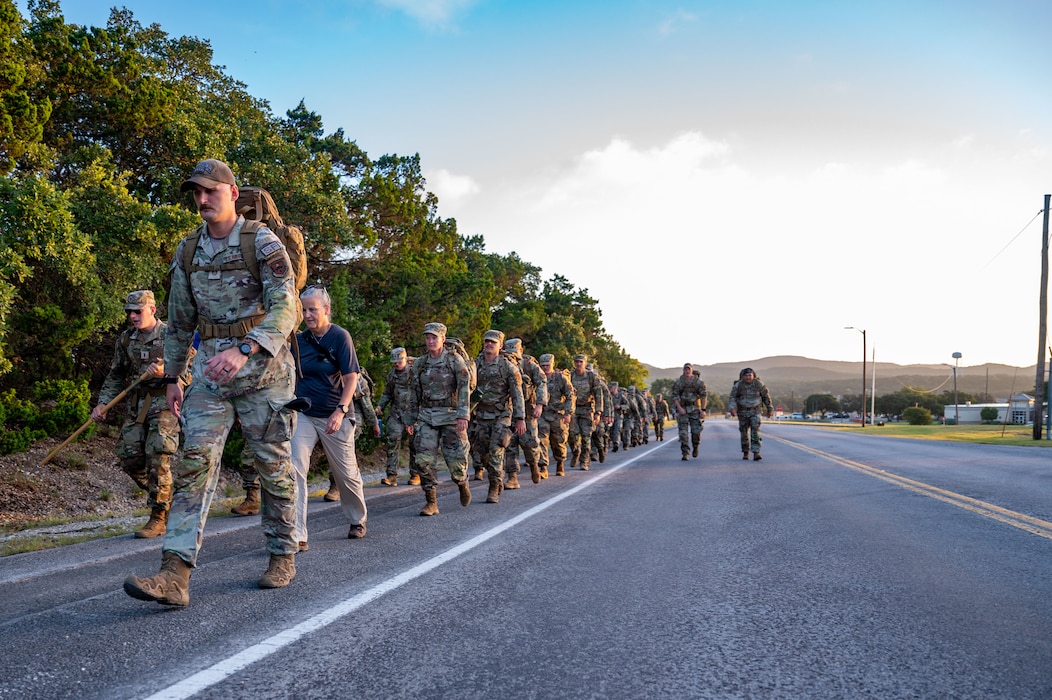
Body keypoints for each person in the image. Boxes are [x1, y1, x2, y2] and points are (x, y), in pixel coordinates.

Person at [124, 158, 300, 606]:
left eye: (211, 191)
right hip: (208, 376)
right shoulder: (188, 251)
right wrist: (174, 376)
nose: (202, 199)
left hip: (265, 373)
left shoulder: (262, 242)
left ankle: (282, 553)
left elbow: (287, 307)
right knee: (193, 465)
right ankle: (174, 575)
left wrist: (246, 349)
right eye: (196, 193)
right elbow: (180, 322)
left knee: (273, 466)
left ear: (232, 192)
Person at [92, 290, 188, 539]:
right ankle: (167, 495)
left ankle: (159, 515)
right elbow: (115, 374)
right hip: (138, 405)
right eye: (129, 312)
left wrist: (167, 374)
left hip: (164, 402)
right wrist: (103, 403)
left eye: (138, 311)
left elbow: (193, 372)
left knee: (158, 455)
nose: (133, 316)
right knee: (129, 458)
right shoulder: (126, 339)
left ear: (152, 310)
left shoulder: (172, 336)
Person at [290, 286, 368, 549]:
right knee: (295, 468)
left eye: (313, 309)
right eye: (304, 310)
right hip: (304, 414)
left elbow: (351, 378)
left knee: (345, 473)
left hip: (336, 413)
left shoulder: (340, 337)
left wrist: (340, 411)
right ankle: (298, 534)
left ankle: (357, 519)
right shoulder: (298, 341)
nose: (308, 315)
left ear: (326, 309)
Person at [408, 322, 472, 516]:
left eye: (434, 337)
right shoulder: (420, 363)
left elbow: (464, 388)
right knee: (423, 460)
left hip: (451, 415)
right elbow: (414, 392)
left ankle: (462, 483)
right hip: (427, 416)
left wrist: (463, 415)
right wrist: (410, 419)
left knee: (456, 461)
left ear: (443, 339)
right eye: (427, 337)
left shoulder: (454, 360)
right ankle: (431, 502)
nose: (430, 341)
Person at [470, 330, 525, 503]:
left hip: (501, 415)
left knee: (495, 450)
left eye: (493, 342)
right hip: (481, 414)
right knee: (481, 451)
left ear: (500, 345)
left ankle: (494, 486)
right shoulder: (475, 364)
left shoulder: (507, 366)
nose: (489, 344)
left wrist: (520, 418)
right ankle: (496, 476)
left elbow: (517, 393)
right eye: (487, 341)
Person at [502, 338, 547, 486]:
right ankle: (512, 477)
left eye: (515, 352)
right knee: (509, 444)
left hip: (528, 412)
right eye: (509, 353)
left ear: (521, 351)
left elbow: (542, 383)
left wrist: (539, 405)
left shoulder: (529, 365)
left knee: (530, 444)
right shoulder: (504, 364)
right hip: (508, 412)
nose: (512, 356)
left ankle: (534, 465)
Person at [376, 347, 418, 486]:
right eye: (394, 362)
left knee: (415, 444)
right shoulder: (392, 374)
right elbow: (387, 393)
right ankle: (391, 475)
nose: (396, 364)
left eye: (399, 361)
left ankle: (415, 474)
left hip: (413, 413)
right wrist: (380, 406)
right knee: (392, 442)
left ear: (405, 359)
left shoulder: (414, 372)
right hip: (396, 413)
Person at [537, 354, 575, 477]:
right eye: (542, 365)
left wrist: (568, 413)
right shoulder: (537, 377)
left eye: (547, 365)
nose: (545, 368)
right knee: (541, 440)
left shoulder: (561, 378)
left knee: (558, 442)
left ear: (552, 364)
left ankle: (560, 462)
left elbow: (570, 396)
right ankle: (543, 467)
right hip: (542, 414)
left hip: (558, 415)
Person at [728, 367, 774, 460]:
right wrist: (732, 408)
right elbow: (732, 397)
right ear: (743, 376)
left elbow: (766, 397)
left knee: (755, 431)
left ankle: (756, 452)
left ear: (753, 376)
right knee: (744, 433)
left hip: (755, 411)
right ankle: (745, 452)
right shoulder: (738, 385)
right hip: (742, 412)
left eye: (750, 375)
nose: (748, 377)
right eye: (746, 375)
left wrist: (770, 409)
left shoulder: (758, 384)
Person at [568, 353, 603, 471]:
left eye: (581, 362)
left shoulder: (591, 377)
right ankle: (576, 452)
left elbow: (599, 395)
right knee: (571, 435)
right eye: (576, 362)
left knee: (586, 437)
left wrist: (598, 413)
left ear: (585, 363)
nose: (578, 364)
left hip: (587, 409)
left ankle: (584, 461)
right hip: (573, 409)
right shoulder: (570, 376)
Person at [671, 363, 707, 460]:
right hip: (683, 409)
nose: (687, 371)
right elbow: (675, 397)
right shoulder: (679, 382)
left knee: (696, 432)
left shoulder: (698, 382)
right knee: (683, 433)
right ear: (683, 370)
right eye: (685, 370)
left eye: (689, 370)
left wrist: (703, 410)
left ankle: (695, 446)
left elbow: (703, 396)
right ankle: (685, 453)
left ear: (692, 370)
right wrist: (679, 408)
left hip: (695, 409)